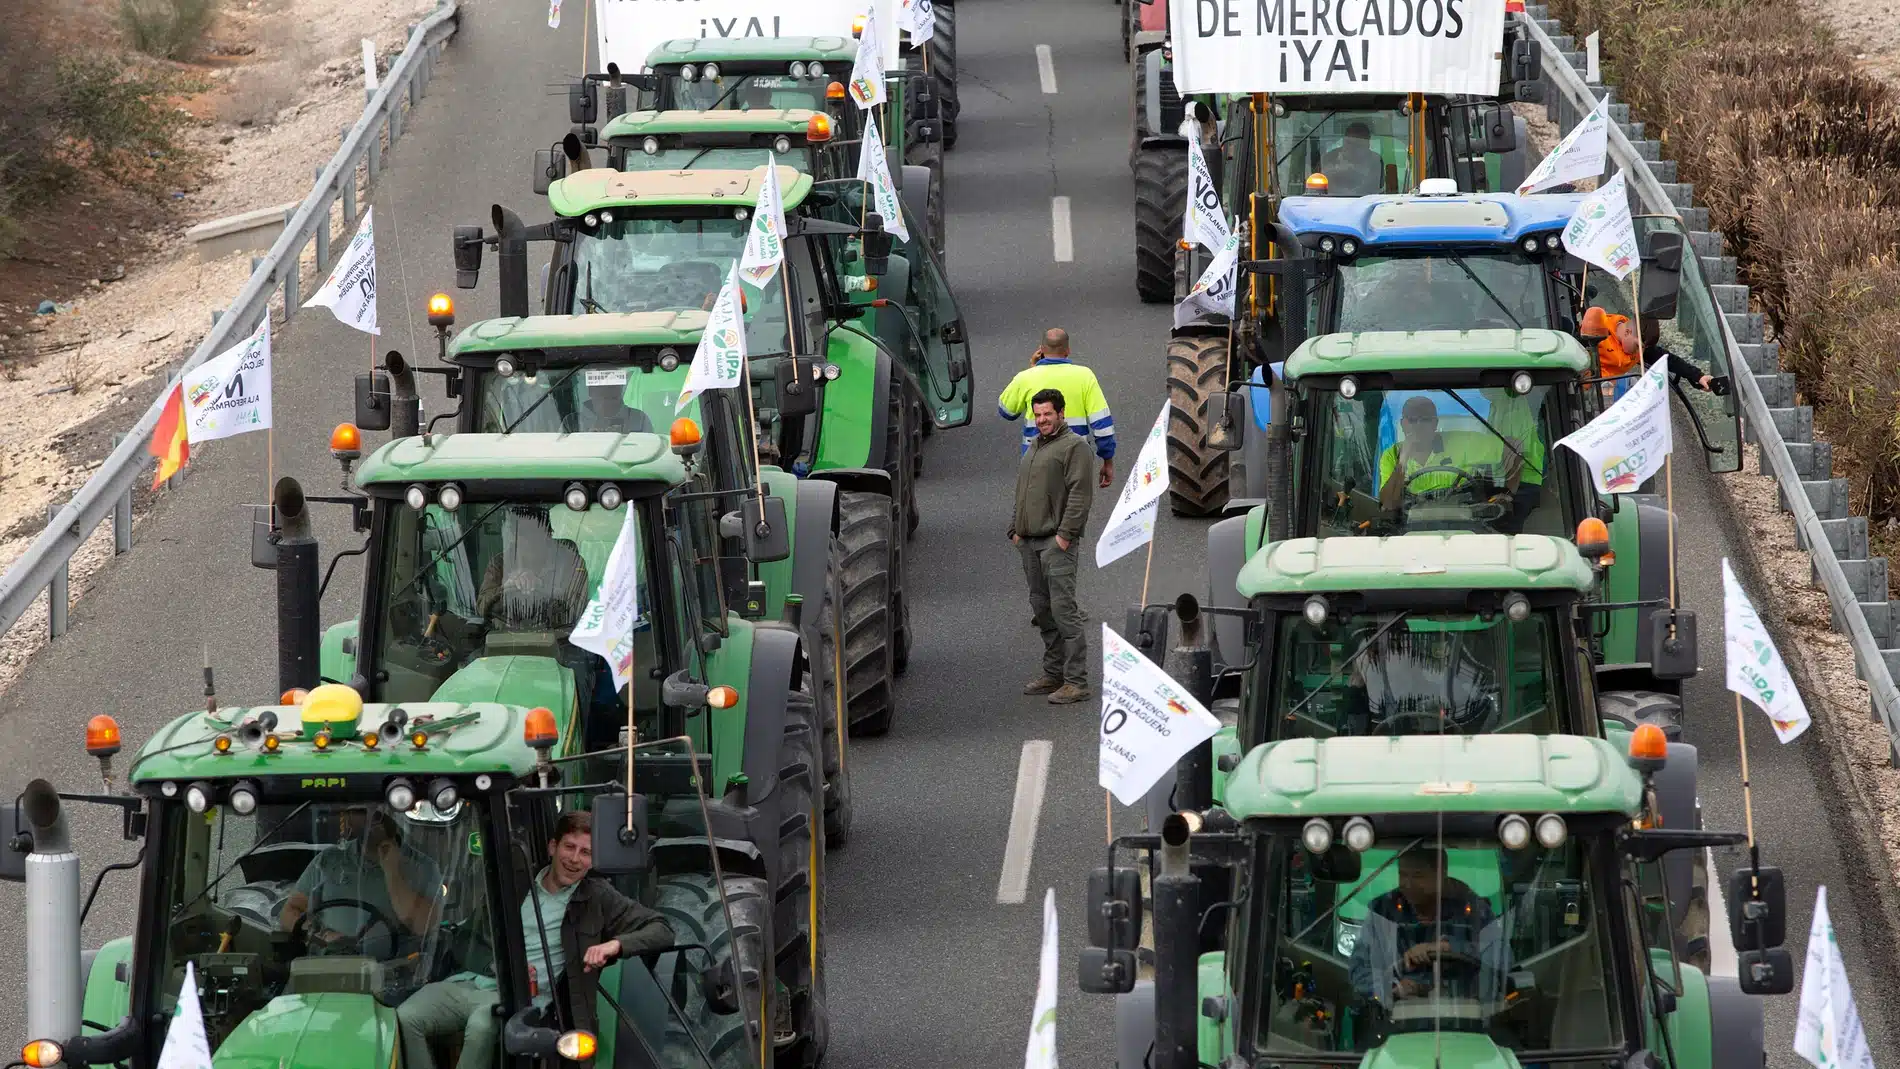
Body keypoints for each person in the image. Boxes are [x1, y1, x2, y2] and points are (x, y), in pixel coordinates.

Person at [397, 811, 676, 1069]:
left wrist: (615, 944)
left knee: (482, 1027)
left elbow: (662, 928)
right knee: (405, 1016)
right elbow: (465, 940)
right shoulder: (514, 884)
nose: (575, 859)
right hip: (470, 983)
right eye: (569, 847)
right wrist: (498, 966)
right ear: (553, 847)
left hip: (521, 999)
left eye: (586, 853)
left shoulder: (598, 898)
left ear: (594, 860)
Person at [1009, 388, 1099, 704]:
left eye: (1048, 413)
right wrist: (1014, 530)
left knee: (1064, 612)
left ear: (1061, 413)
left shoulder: (1075, 447)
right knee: (1043, 611)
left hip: (1056, 543)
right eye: (1038, 414)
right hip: (1029, 543)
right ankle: (1054, 673)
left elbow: (1080, 495)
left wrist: (1064, 536)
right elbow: (1023, 491)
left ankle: (1076, 681)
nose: (1042, 419)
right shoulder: (1035, 445)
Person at [1347, 846, 1506, 1015]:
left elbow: (1503, 960)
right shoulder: (1382, 912)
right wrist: (1393, 987)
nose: (1408, 884)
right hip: (1395, 1018)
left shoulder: (1475, 911)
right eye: (1403, 875)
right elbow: (1359, 972)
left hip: (1465, 1013)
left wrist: (1448, 947)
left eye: (1418, 876)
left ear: (1441, 875)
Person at [279, 807, 443, 958]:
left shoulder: (423, 867)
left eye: (378, 811)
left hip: (391, 972)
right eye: (362, 811)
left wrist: (392, 871)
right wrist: (320, 935)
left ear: (396, 813)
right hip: (325, 967)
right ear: (349, 818)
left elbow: (423, 926)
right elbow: (289, 912)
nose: (372, 818)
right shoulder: (328, 860)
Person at [997, 329, 1116, 489]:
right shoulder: (1085, 376)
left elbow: (1006, 411)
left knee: (1040, 503)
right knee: (1075, 502)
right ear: (1068, 350)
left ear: (1041, 350)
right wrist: (1107, 460)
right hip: (1075, 458)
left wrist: (1031, 370)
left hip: (1036, 459)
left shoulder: (1026, 377)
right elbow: (1102, 424)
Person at [475, 511, 593, 631]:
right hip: (507, 637)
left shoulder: (571, 562)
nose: (528, 540)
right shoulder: (500, 563)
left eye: (534, 532)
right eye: (522, 533)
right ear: (513, 535)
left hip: (558, 637)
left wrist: (541, 586)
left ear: (548, 534)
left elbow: (578, 609)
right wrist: (506, 588)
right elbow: (481, 607)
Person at [1578, 307, 1717, 400]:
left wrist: (1698, 376)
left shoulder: (1637, 345)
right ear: (1627, 332)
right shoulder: (1596, 332)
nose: (1640, 353)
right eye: (1638, 347)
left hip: (1608, 397)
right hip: (1584, 395)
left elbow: (1666, 359)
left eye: (1643, 349)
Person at [1319, 121, 1385, 196]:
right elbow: (1320, 183)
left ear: (1368, 144)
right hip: (1331, 199)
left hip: (1366, 199)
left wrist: (1353, 170)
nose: (1352, 148)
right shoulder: (1329, 157)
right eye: (1349, 143)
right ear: (1344, 140)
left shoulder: (1375, 160)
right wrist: (1336, 170)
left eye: (1358, 144)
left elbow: (1373, 186)